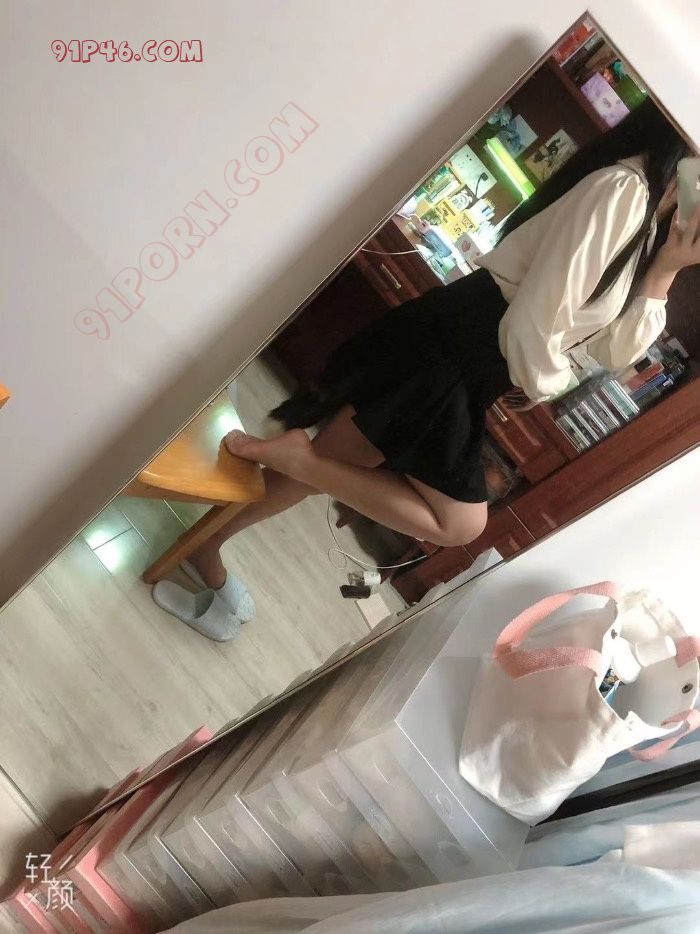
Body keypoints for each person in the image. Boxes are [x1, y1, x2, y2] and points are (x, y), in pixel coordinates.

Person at [189, 99, 699, 592]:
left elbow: (613, 351)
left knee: (339, 466)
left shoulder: (649, 222)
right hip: (458, 346)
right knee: (453, 518)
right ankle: (228, 522)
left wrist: (666, 270)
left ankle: (212, 537)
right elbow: (530, 321)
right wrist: (545, 379)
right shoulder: (624, 193)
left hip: (471, 361)